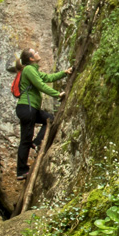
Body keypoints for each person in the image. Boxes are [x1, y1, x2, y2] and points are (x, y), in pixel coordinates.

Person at [14, 48, 72, 180]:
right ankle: (21, 171)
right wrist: (57, 94)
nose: (38, 53)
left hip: (30, 109)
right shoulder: (28, 70)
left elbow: (47, 78)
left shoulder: (33, 69)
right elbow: (40, 85)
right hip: (27, 108)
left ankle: (37, 142)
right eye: (35, 52)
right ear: (31, 59)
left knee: (49, 119)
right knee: (25, 140)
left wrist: (64, 73)